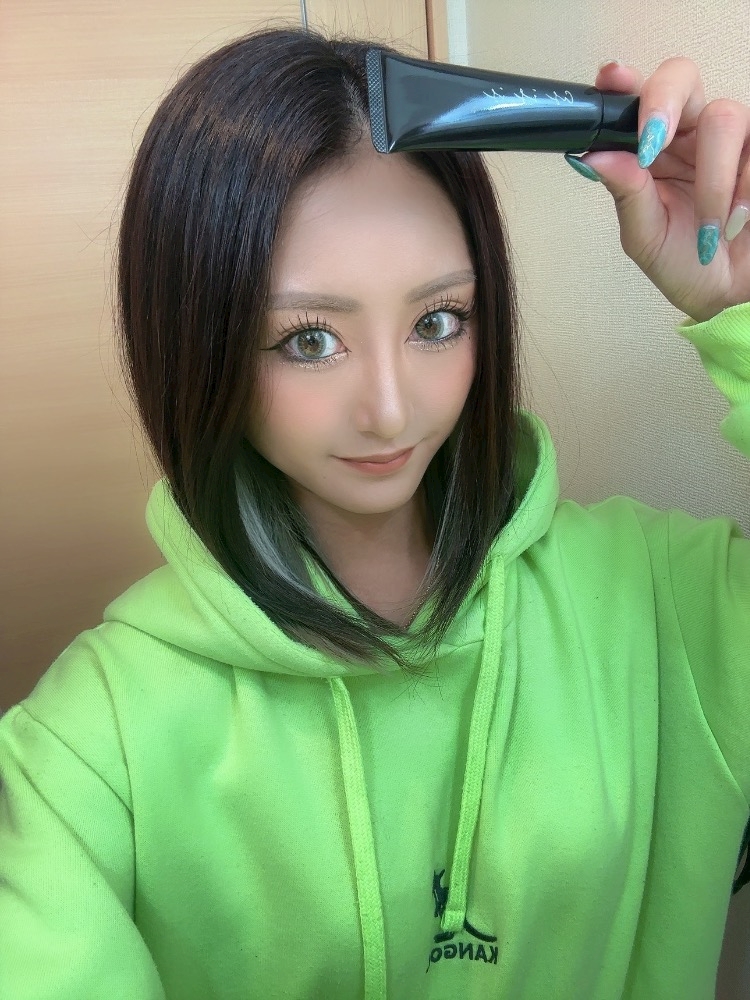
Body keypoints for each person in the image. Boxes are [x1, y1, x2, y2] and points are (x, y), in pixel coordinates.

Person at [0, 24, 748, 1000]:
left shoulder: (664, 607)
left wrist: (739, 302)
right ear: (198, 340)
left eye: (438, 321)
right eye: (309, 340)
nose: (392, 409)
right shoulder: (89, 748)